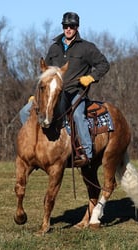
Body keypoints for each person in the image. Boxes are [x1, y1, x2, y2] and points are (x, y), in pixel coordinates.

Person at [19, 12, 110, 167]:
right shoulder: (54, 48)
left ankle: (87, 153)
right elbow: (45, 72)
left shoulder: (87, 48)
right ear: (62, 27)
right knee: (25, 111)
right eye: (65, 26)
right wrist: (38, 95)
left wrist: (91, 77)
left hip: (75, 91)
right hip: (51, 93)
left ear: (77, 27)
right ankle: (33, 147)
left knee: (78, 115)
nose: (68, 29)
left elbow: (104, 65)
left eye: (72, 26)